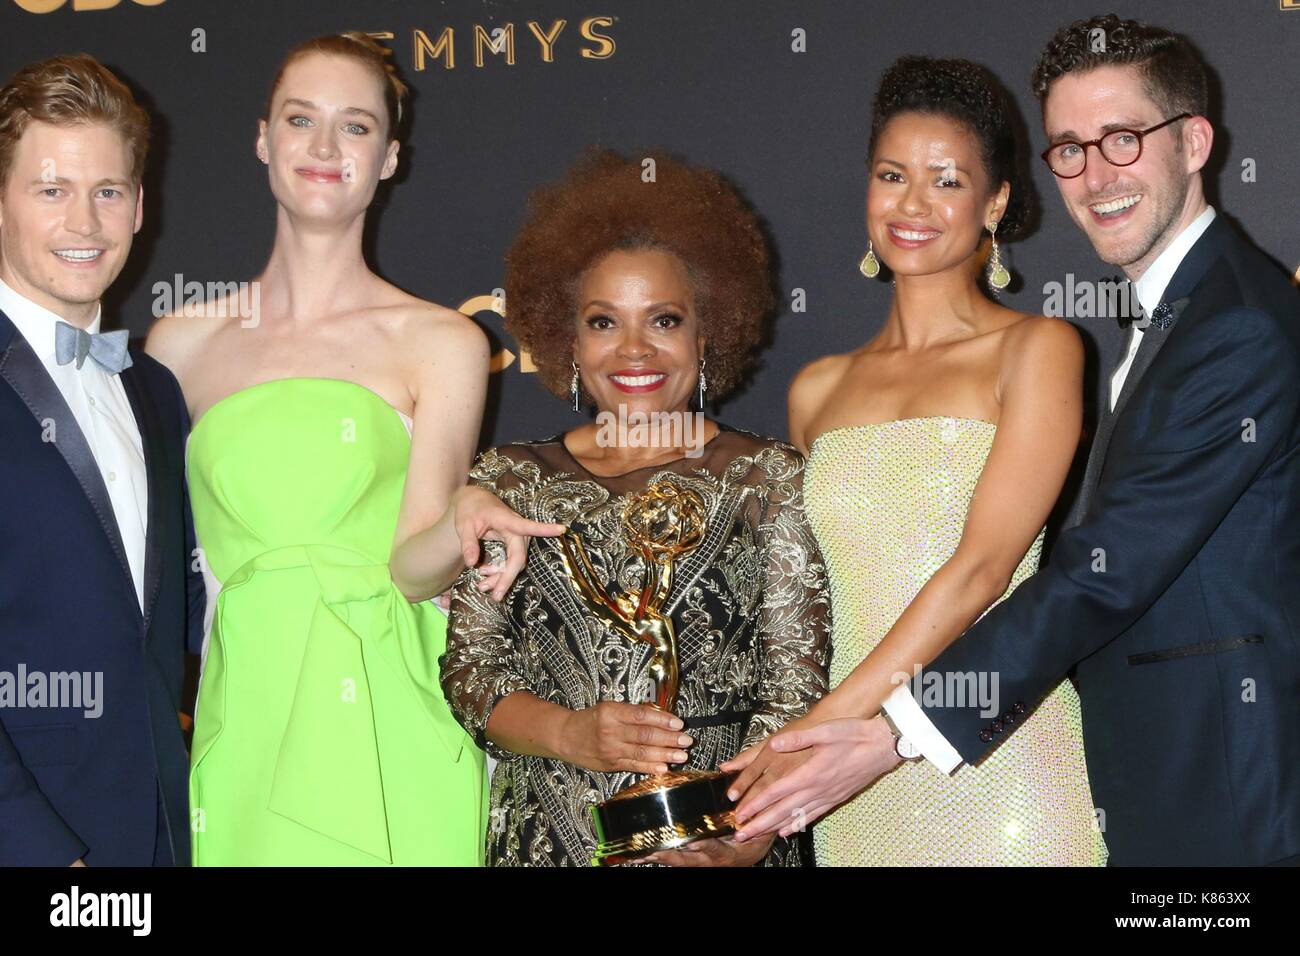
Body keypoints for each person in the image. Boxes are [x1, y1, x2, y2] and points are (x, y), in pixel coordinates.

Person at [729, 15, 1300, 867]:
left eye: (1122, 139)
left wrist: (890, 732)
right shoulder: (1179, 316)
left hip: (1214, 796)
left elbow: (1096, 576)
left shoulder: (1235, 327)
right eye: (1069, 148)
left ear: (1194, 141)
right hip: (1123, 782)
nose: (1095, 174)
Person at [147, 32, 560, 866]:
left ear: (389, 157)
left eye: (357, 126)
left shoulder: (441, 341)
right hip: (248, 705)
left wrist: (463, 520)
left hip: (391, 711)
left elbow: (413, 568)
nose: (326, 148)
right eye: (302, 120)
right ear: (264, 139)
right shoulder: (179, 344)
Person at [725, 57, 1104, 866]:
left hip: (996, 758)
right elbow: (811, 600)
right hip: (852, 785)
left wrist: (818, 731)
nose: (913, 204)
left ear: (995, 202)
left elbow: (980, 571)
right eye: (893, 174)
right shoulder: (816, 390)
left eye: (947, 181)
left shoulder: (1038, 348)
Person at [440, 150, 830, 867]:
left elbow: (796, 690)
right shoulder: (508, 480)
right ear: (568, 341)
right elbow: (472, 674)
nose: (633, 350)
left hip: (727, 843)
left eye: (664, 319)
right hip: (549, 842)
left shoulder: (766, 479)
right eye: (602, 322)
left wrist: (745, 840)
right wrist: (570, 734)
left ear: (705, 334)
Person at [0, 54, 202, 866]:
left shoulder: (153, 389)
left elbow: (190, 607)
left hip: (159, 833)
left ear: (140, 205)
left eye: (107, 191)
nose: (85, 224)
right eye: (52, 191)